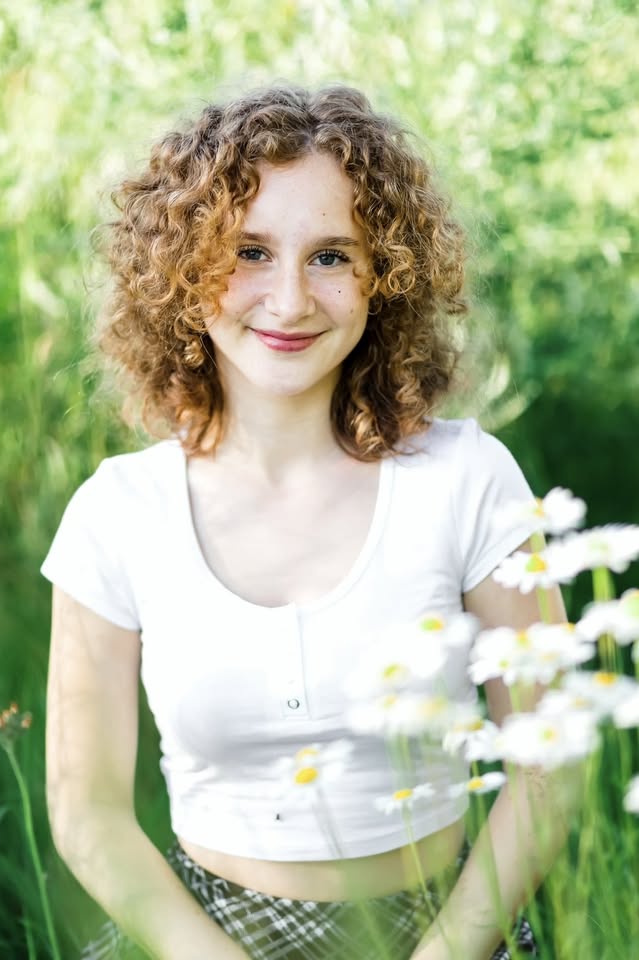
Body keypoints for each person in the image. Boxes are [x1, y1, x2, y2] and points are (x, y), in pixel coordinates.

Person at [42, 83, 565, 960]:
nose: (288, 301)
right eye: (249, 251)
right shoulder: (116, 514)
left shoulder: (467, 478)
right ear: (179, 269)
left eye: (331, 257)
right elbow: (84, 811)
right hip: (201, 936)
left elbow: (552, 760)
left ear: (383, 277)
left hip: (443, 928)